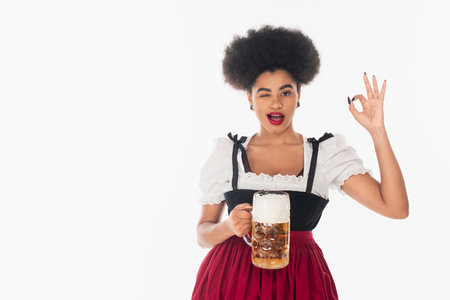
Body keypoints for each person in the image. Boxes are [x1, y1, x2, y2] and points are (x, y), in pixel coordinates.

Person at [191, 25, 409, 300]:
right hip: (231, 280)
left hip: (299, 281)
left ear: (299, 94)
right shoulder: (228, 154)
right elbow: (202, 234)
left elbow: (396, 208)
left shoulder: (325, 155)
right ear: (249, 97)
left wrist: (377, 131)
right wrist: (227, 227)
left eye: (285, 92)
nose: (276, 104)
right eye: (264, 94)